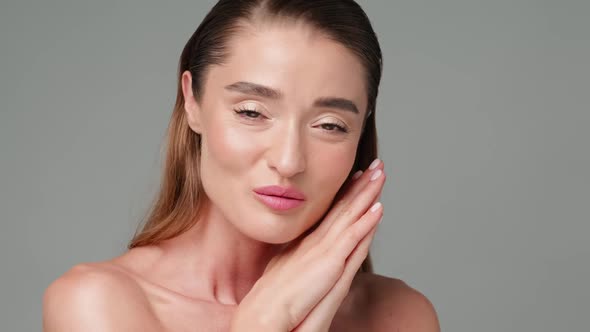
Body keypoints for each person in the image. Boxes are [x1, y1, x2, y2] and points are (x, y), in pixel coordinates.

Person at [43, 1, 440, 331]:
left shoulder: (399, 317)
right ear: (192, 102)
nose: (288, 161)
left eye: (330, 125)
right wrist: (263, 322)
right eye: (252, 112)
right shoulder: (98, 306)